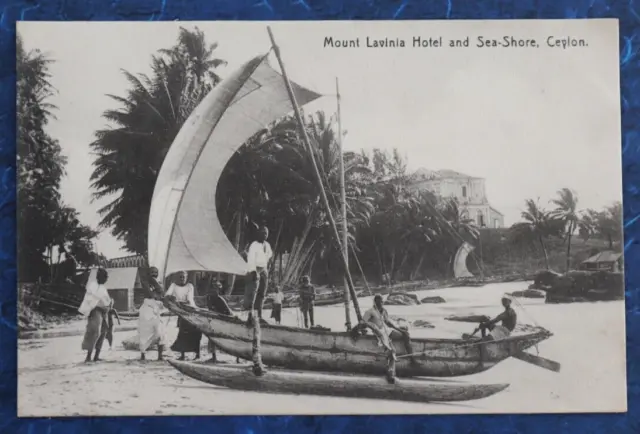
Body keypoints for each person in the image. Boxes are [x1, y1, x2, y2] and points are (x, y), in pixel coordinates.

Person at [78, 268, 113, 363]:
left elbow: (106, 300)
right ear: (100, 277)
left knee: (103, 332)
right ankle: (88, 356)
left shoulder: (102, 288)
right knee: (94, 332)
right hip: (95, 312)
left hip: (104, 312)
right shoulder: (93, 286)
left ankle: (96, 356)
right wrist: (101, 305)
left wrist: (109, 304)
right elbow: (91, 301)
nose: (106, 279)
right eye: (105, 277)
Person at [165, 271, 201, 361]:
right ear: (177, 277)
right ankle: (182, 355)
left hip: (191, 310)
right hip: (181, 311)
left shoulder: (190, 286)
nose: (182, 279)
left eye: (184, 277)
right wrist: (171, 299)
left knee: (195, 333)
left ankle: (197, 354)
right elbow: (167, 295)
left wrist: (179, 302)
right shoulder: (173, 285)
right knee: (182, 333)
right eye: (180, 277)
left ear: (186, 277)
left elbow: (189, 300)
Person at [244, 226, 273, 325]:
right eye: (262, 233)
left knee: (262, 293)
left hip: (264, 269)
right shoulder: (254, 245)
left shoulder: (267, 245)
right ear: (258, 233)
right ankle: (250, 317)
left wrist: (266, 268)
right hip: (255, 269)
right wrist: (253, 271)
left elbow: (269, 255)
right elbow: (250, 258)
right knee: (252, 294)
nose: (264, 235)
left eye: (266, 233)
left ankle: (259, 316)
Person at [137, 266, 167, 361]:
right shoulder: (145, 282)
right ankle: (143, 354)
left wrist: (157, 289)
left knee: (160, 332)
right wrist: (155, 287)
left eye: (155, 272)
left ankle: (160, 355)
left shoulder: (158, 284)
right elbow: (151, 294)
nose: (154, 274)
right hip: (147, 309)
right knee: (145, 333)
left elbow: (161, 293)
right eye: (152, 272)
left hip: (156, 309)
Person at [206, 279, 234, 363]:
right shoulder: (209, 298)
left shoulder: (220, 299)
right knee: (212, 338)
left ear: (218, 290)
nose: (214, 290)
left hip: (221, 321)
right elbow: (210, 309)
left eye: (216, 289)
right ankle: (213, 356)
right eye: (213, 288)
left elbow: (228, 312)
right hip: (213, 319)